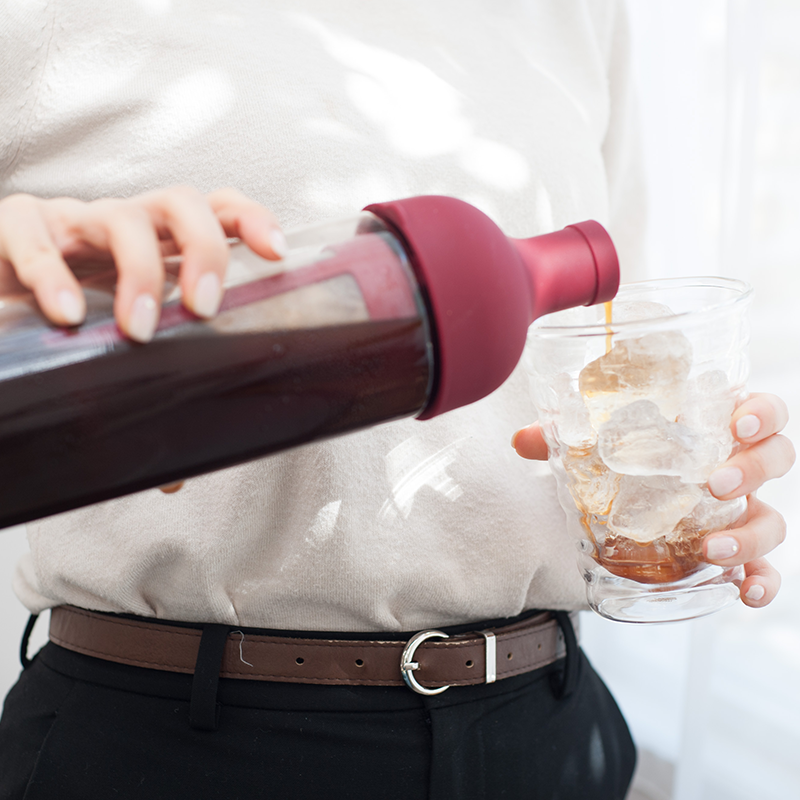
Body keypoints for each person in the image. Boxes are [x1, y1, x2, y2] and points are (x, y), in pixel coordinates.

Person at [0, 1, 793, 798]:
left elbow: (621, 364)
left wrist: (693, 486)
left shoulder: (575, 16)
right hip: (179, 744)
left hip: (546, 725)